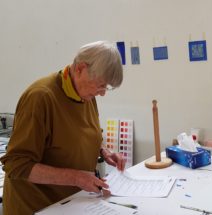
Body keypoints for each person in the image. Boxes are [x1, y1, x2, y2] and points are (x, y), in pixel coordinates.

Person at [0, 41, 126, 215]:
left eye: (106, 87)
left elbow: (82, 132)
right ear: (81, 68)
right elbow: (16, 164)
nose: (103, 93)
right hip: (37, 207)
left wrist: (104, 150)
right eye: (101, 85)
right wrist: (76, 177)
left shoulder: (86, 95)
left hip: (69, 204)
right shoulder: (41, 98)